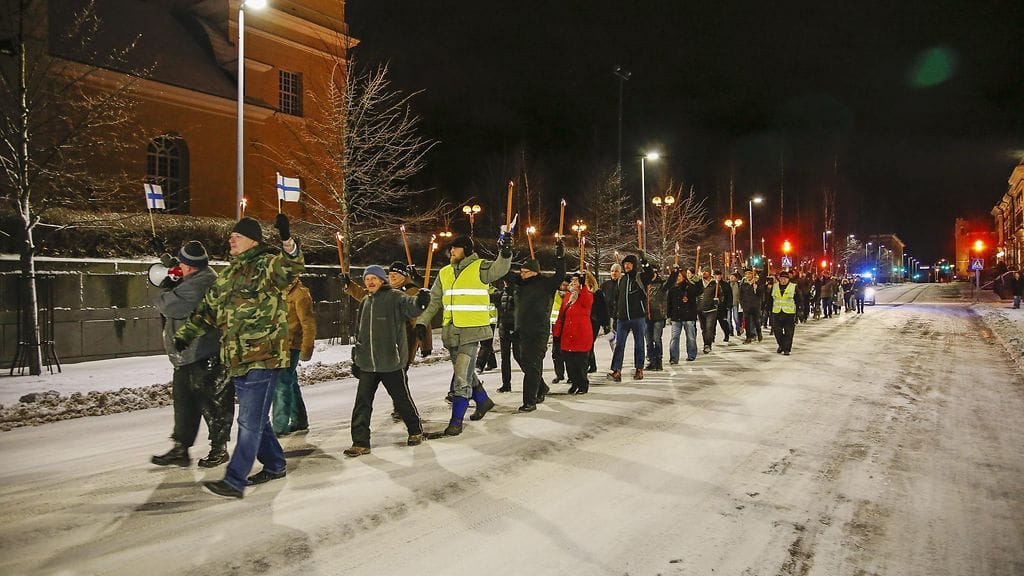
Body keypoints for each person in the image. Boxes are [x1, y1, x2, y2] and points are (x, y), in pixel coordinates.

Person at [175, 214, 302, 499]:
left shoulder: (267, 266)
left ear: (253, 241)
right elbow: (208, 310)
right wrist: (186, 334)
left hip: (263, 356)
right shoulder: (228, 275)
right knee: (257, 420)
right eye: (231, 235)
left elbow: (292, 266)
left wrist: (286, 240)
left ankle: (235, 479)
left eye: (238, 236)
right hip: (236, 358)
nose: (231, 239)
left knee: (248, 422)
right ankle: (275, 464)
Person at [416, 234, 511, 434]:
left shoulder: (480, 267)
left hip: (472, 331)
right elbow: (434, 301)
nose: (451, 251)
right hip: (451, 332)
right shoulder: (444, 273)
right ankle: (483, 401)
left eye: (456, 247)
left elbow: (500, 269)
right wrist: (422, 322)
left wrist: (505, 252)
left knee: (461, 377)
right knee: (466, 373)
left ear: (466, 250)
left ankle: (456, 422)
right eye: (451, 248)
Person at [151, 241, 234, 469]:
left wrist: (167, 285)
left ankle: (219, 448)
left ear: (190, 266)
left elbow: (167, 305)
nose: (179, 268)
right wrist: (171, 265)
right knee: (184, 403)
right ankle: (181, 448)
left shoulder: (201, 284)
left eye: (182, 264)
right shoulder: (195, 277)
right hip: (188, 355)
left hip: (205, 354)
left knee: (213, 403)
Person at [342, 265, 431, 456]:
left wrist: (422, 301)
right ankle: (360, 442)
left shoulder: (395, 297)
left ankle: (415, 430)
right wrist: (356, 358)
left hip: (391, 361)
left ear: (382, 280)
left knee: (401, 400)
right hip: (368, 363)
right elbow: (360, 333)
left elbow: (412, 307)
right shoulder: (366, 302)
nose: (370, 282)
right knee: (362, 403)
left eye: (374, 278)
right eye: (367, 279)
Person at [511, 241, 566, 411]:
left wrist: (560, 257)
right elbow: (504, 273)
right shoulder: (520, 284)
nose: (522, 274)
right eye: (521, 271)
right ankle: (541, 387)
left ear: (535, 272)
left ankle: (530, 401)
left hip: (538, 331)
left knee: (533, 365)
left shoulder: (545, 284)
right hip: (521, 330)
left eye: (526, 272)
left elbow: (560, 275)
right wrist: (504, 252)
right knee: (522, 360)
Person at [271, 277, 315, 437]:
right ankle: (299, 420)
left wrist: (306, 349)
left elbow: (308, 324)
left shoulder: (300, 294)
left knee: (281, 383)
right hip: (277, 344)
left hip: (291, 345)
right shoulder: (275, 290)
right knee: (290, 382)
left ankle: (279, 426)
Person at [609, 253, 652, 381]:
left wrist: (644, 261)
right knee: (619, 345)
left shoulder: (639, 277)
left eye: (629, 264)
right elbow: (617, 300)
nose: (627, 266)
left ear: (634, 265)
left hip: (637, 317)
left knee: (639, 344)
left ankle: (639, 369)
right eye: (625, 264)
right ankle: (616, 370)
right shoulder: (621, 280)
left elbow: (650, 274)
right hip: (622, 318)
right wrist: (615, 317)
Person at [558, 273, 594, 394]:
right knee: (569, 362)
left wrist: (583, 288)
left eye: (576, 281)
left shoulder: (586, 295)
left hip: (581, 333)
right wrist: (557, 331)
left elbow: (586, 302)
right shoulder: (568, 296)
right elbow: (561, 315)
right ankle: (574, 382)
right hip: (568, 334)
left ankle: (582, 384)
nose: (573, 283)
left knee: (580, 362)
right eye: (572, 280)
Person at [667, 267, 702, 363]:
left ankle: (691, 354)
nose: (677, 278)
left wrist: (698, 280)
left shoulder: (689, 287)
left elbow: (699, 290)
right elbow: (669, 303)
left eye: (679, 276)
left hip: (688, 316)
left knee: (690, 337)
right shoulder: (672, 288)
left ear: (683, 277)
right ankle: (673, 357)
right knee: (674, 337)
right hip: (676, 316)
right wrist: (669, 315)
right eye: (676, 276)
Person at [643, 263, 668, 371]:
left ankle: (658, 361)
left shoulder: (661, 284)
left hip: (658, 315)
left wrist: (675, 273)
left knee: (656, 339)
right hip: (647, 316)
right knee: (648, 341)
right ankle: (651, 361)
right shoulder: (644, 284)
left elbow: (670, 282)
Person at [495, 274, 517, 392]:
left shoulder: (518, 294)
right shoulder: (501, 294)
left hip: (515, 330)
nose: (506, 283)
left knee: (519, 357)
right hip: (504, 329)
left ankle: (538, 383)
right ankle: (506, 384)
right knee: (505, 358)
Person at [697, 268, 725, 354]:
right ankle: (706, 342)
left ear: (710, 273)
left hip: (711, 309)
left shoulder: (715, 284)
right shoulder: (699, 283)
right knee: (704, 329)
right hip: (700, 309)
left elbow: (721, 295)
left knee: (709, 328)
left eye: (706, 272)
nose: (704, 273)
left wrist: (718, 300)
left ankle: (707, 345)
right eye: (703, 271)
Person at [586, 270, 610, 373]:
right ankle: (591, 364)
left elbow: (603, 308)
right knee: (588, 344)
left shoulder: (597, 293)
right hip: (587, 319)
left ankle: (589, 364)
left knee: (589, 343)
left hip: (593, 320)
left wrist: (605, 323)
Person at [772, 270, 800, 355]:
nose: (783, 280)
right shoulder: (775, 286)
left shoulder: (793, 287)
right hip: (777, 312)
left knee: (789, 332)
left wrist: (800, 311)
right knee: (777, 331)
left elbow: (799, 299)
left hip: (789, 313)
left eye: (785, 278)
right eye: (781, 278)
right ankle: (782, 345)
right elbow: (770, 299)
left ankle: (786, 349)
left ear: (788, 279)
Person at [550, 277, 569, 384]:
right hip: (556, 328)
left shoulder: (572, 296)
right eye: (563, 285)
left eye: (566, 285)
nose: (564, 287)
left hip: (568, 328)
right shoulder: (555, 295)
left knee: (568, 354)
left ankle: (571, 375)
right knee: (556, 353)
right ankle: (559, 374)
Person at [740, 268, 763, 344]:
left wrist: (757, 288)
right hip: (746, 306)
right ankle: (748, 337)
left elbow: (760, 294)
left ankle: (759, 333)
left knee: (756, 321)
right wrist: (742, 304)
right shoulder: (743, 284)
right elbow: (741, 295)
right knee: (747, 323)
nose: (748, 275)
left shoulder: (757, 283)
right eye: (746, 274)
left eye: (749, 274)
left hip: (755, 305)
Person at [601, 263, 622, 349]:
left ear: (620, 273)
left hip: (618, 314)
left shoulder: (621, 284)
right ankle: (614, 349)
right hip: (607, 314)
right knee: (609, 335)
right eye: (612, 271)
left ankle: (617, 351)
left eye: (616, 271)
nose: (614, 273)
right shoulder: (605, 285)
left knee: (618, 335)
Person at [727, 271, 742, 338]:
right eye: (731, 276)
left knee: (736, 317)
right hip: (728, 303)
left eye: (733, 277)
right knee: (728, 318)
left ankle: (738, 329)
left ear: (736, 278)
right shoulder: (727, 284)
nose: (731, 278)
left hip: (735, 303)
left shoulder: (738, 284)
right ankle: (730, 331)